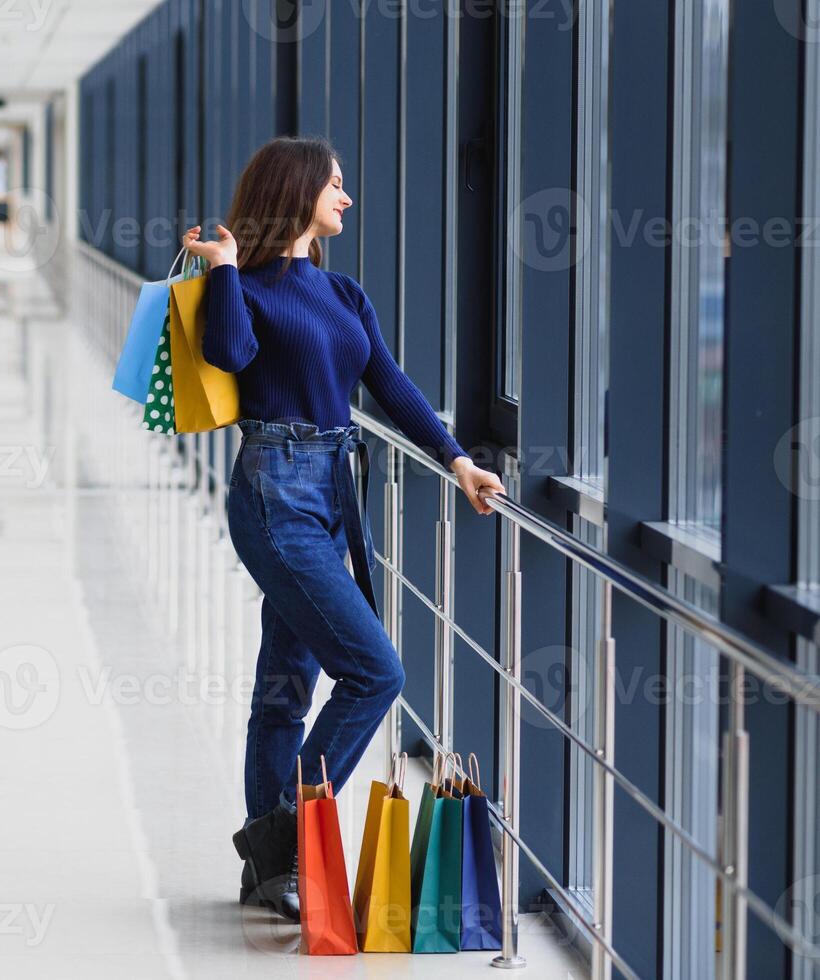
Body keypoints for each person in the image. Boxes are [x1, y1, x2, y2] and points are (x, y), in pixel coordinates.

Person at [181, 136, 506, 923]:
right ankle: (288, 845)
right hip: (273, 488)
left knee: (284, 688)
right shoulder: (248, 287)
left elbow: (388, 383)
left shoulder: (346, 293)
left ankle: (268, 865)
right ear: (296, 191)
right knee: (376, 672)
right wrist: (222, 269)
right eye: (335, 185)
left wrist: (456, 460)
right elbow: (224, 350)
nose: (347, 198)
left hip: (334, 489)